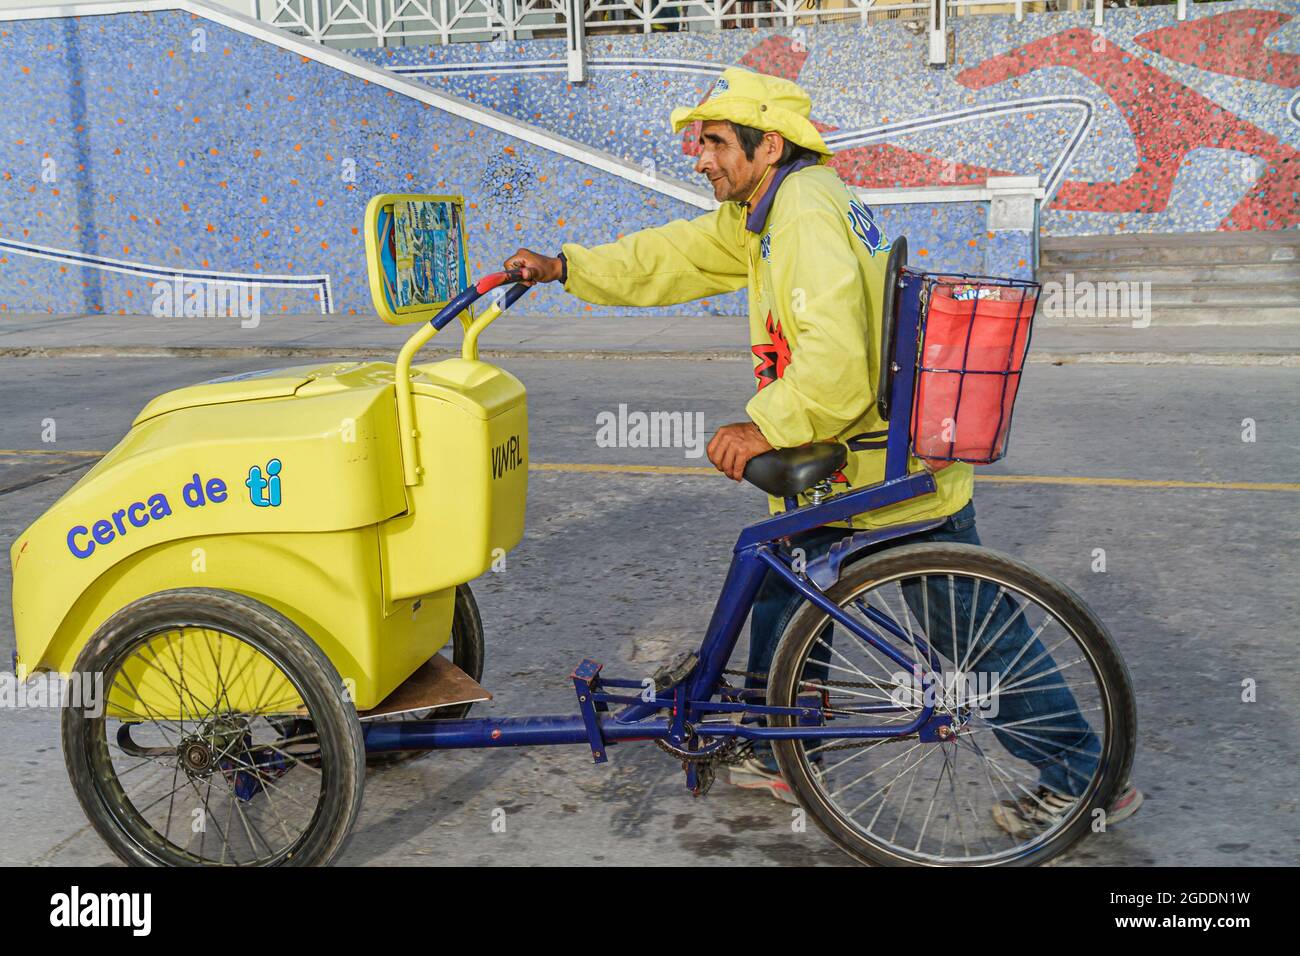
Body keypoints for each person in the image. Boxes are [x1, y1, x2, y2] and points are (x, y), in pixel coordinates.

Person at [504, 67, 1140, 834]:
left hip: (875, 471)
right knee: (786, 581)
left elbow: (835, 361)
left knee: (973, 638)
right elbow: (676, 255)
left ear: (767, 145)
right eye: (696, 142)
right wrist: (569, 267)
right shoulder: (780, 204)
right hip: (873, 455)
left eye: (711, 142)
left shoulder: (801, 215)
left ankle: (1081, 778)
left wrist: (765, 425)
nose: (696, 157)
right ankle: (779, 747)